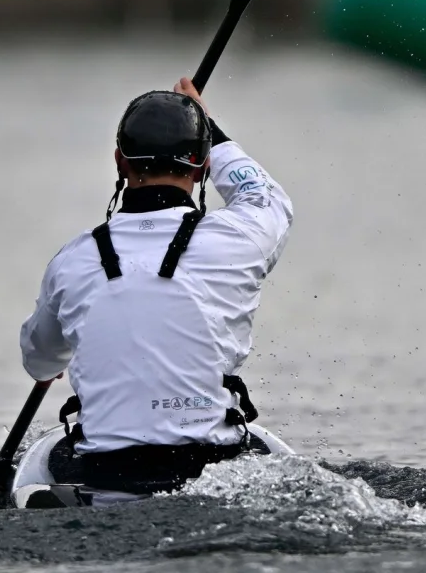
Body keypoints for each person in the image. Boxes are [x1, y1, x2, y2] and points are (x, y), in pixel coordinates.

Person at [19, 76, 293, 499]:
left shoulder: (71, 262)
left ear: (119, 163)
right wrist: (210, 129)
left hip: (106, 478)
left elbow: (39, 363)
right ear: (202, 167)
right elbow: (265, 196)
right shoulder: (242, 238)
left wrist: (55, 358)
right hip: (214, 474)